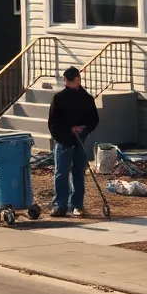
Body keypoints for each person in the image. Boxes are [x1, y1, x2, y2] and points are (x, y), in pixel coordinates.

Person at [47, 66, 99, 218]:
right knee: (61, 173)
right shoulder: (58, 98)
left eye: (73, 80)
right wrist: (64, 134)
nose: (70, 83)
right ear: (64, 80)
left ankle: (77, 205)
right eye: (67, 81)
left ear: (78, 80)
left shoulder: (87, 98)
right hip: (63, 141)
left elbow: (94, 119)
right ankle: (60, 205)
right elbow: (53, 122)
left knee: (78, 172)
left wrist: (84, 128)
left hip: (79, 140)